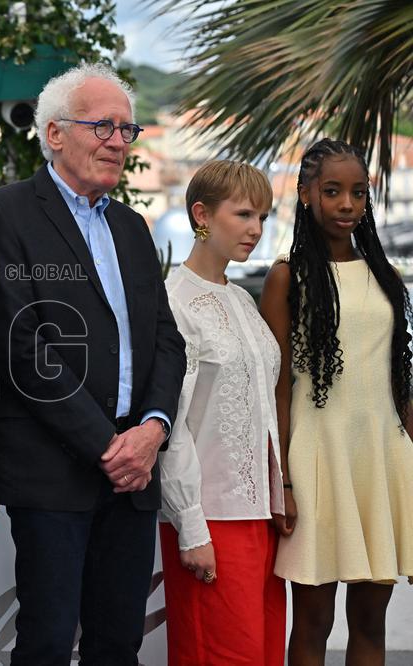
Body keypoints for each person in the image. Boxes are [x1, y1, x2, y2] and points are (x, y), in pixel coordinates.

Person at [0, 63, 186, 665]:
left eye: (127, 129)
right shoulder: (4, 213)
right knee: (46, 640)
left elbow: (166, 340)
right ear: (55, 132)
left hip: (135, 471)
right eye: (103, 126)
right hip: (54, 471)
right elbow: (20, 346)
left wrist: (151, 430)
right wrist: (107, 445)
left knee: (119, 642)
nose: (118, 140)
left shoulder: (132, 227)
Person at [259, 138, 413, 666]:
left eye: (358, 193)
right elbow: (276, 388)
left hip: (384, 461)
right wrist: (282, 481)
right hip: (317, 461)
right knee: (313, 623)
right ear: (305, 195)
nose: (347, 204)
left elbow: (400, 380)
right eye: (332, 191)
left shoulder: (387, 277)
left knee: (370, 623)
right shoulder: (286, 277)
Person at [159, 160, 286, 665]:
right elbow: (172, 426)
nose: (256, 230)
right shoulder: (173, 302)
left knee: (263, 652)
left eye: (263, 217)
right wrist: (191, 527)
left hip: (262, 519)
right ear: (201, 215)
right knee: (219, 654)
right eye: (244, 215)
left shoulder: (243, 301)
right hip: (211, 518)